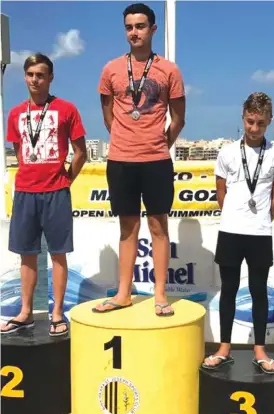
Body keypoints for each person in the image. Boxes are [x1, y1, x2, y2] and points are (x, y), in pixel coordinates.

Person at [95, 3, 185, 315]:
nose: (135, 32)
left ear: (153, 29)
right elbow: (108, 115)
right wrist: (126, 138)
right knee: (127, 227)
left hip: (157, 160)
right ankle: (123, 294)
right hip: (120, 160)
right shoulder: (110, 70)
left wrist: (160, 143)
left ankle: (160, 294)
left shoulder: (169, 70)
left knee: (158, 226)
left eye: (141, 26)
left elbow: (178, 119)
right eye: (130, 27)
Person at [0, 53, 87, 336]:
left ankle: (57, 312)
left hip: (56, 193)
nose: (35, 80)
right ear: (24, 77)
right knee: (26, 255)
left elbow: (80, 152)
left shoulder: (67, 109)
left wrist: (65, 180)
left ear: (50, 78)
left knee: (58, 254)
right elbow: (18, 152)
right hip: (25, 192)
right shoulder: (14, 114)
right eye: (30, 74)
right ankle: (25, 312)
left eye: (41, 75)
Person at [203, 92, 274, 374]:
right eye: (250, 121)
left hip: (260, 233)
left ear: (269, 121)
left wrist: (262, 218)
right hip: (231, 231)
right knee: (229, 291)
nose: (254, 129)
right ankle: (224, 348)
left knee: (259, 291)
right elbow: (220, 190)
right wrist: (233, 215)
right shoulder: (227, 152)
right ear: (243, 118)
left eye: (260, 123)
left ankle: (260, 350)